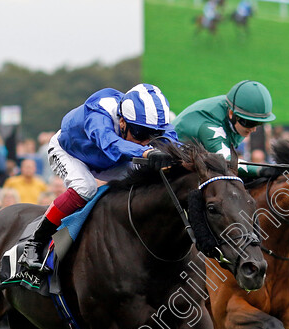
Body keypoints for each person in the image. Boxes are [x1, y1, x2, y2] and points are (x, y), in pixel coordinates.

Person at [21, 84, 178, 271]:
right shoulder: (99, 109)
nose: (146, 140)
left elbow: (173, 143)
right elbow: (109, 143)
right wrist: (147, 153)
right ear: (122, 121)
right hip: (72, 153)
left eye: (154, 135)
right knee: (85, 188)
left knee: (149, 180)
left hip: (112, 161)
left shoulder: (146, 122)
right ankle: (34, 243)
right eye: (141, 133)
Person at [173, 79, 275, 177]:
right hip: (171, 162)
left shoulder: (234, 110)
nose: (254, 129)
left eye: (259, 123)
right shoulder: (210, 125)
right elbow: (226, 162)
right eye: (250, 122)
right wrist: (262, 169)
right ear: (231, 113)